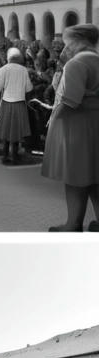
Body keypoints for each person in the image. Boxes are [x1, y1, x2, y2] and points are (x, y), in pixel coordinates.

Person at [40, 24, 99, 231]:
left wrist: (53, 116)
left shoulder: (77, 63)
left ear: (79, 40)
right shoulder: (96, 59)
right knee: (94, 177)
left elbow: (71, 100)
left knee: (75, 177)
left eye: (68, 42)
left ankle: (72, 224)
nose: (66, 47)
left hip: (78, 128)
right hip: (94, 125)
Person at [0, 47, 34, 165]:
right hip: (20, 103)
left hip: (6, 102)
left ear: (8, 57)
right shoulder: (24, 70)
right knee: (16, 130)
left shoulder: (3, 69)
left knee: (5, 129)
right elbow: (29, 88)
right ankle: (15, 155)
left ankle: (5, 155)